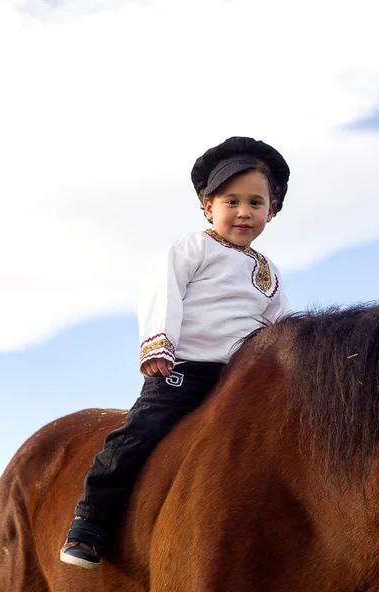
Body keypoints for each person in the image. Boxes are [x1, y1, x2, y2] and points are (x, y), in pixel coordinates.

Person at [60, 136, 291, 570]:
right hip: (185, 370)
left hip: (241, 380)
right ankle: (89, 524)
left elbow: (281, 329)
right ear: (208, 206)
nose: (244, 212)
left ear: (271, 212)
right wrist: (157, 345)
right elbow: (162, 293)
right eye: (231, 200)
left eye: (256, 203)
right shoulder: (193, 249)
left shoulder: (269, 272)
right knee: (137, 436)